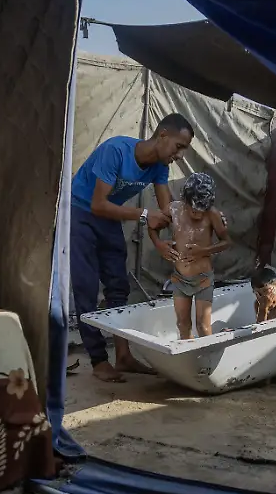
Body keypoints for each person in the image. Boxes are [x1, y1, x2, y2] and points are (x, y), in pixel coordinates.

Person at [70, 113, 193, 382]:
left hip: (109, 218)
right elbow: (98, 204)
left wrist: (192, 228)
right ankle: (99, 360)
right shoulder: (116, 151)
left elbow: (165, 212)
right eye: (179, 147)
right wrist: (144, 215)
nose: (180, 155)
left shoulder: (159, 166)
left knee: (118, 286)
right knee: (86, 288)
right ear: (162, 135)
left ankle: (123, 356)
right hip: (81, 213)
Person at [150, 172, 231, 339]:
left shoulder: (212, 214)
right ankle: (191, 354)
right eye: (194, 211)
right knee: (182, 324)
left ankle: (208, 354)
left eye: (202, 211)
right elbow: (152, 226)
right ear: (185, 201)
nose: (198, 215)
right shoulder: (173, 209)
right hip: (180, 278)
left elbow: (227, 242)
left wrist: (203, 251)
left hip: (203, 279)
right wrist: (159, 244)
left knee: (203, 325)